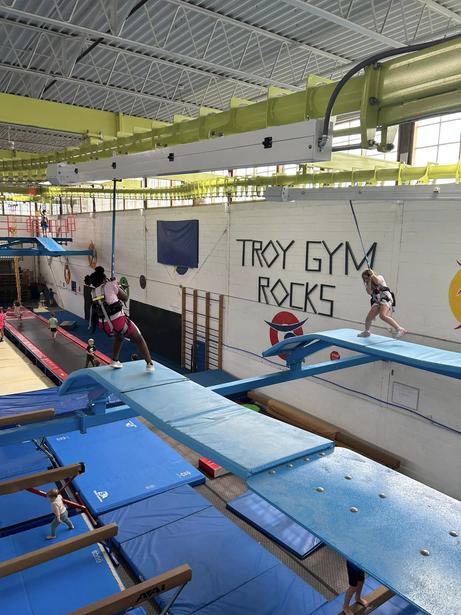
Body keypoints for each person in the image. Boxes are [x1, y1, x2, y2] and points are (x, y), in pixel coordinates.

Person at [85, 266, 155, 371]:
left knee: (120, 336)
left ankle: (114, 360)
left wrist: (113, 285)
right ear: (104, 279)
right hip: (117, 322)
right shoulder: (110, 285)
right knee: (139, 338)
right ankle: (149, 364)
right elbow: (125, 297)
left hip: (104, 324)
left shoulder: (93, 292)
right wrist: (117, 286)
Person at [358, 269, 407, 339]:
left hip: (385, 298)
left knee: (382, 315)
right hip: (377, 300)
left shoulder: (379, 277)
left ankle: (400, 329)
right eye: (364, 278)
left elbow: (377, 282)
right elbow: (369, 292)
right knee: (369, 318)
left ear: (370, 276)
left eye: (367, 278)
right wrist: (369, 281)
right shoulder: (368, 284)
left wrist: (372, 275)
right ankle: (367, 332)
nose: (366, 280)